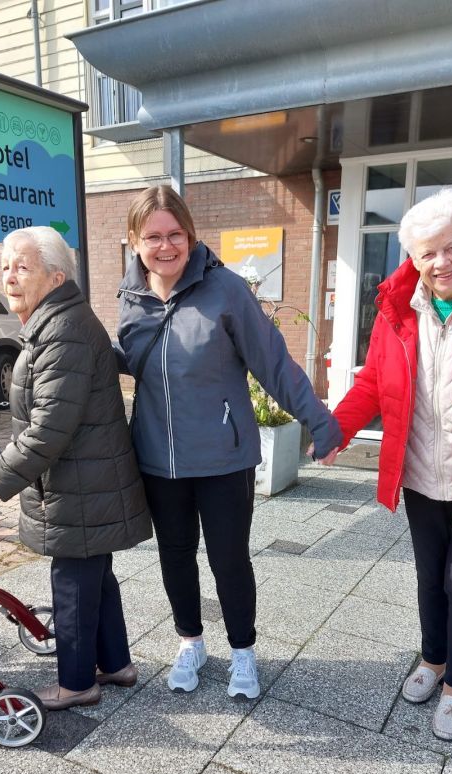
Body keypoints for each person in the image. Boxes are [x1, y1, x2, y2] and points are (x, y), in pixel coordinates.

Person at [117, 185, 342, 700]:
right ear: (134, 240)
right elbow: (138, 361)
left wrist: (320, 422)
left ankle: (243, 650)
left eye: (176, 234)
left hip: (222, 457)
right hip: (159, 459)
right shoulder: (130, 296)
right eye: (153, 237)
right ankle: (190, 642)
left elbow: (273, 363)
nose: (166, 246)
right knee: (175, 555)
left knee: (228, 559)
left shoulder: (226, 290)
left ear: (191, 235)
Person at [329, 188, 452, 740]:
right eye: (427, 253)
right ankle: (434, 660)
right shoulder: (397, 309)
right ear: (412, 258)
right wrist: (336, 429)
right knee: (429, 575)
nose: (441, 263)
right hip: (420, 471)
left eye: (451, 247)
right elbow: (373, 382)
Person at [0, 226, 152, 711]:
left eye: (22, 267)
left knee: (72, 585)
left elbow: (49, 428)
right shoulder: (56, 323)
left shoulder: (62, 330)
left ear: (55, 277)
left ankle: (77, 683)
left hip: (81, 487)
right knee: (95, 577)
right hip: (87, 482)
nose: (9, 277)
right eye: (5, 267)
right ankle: (116, 664)